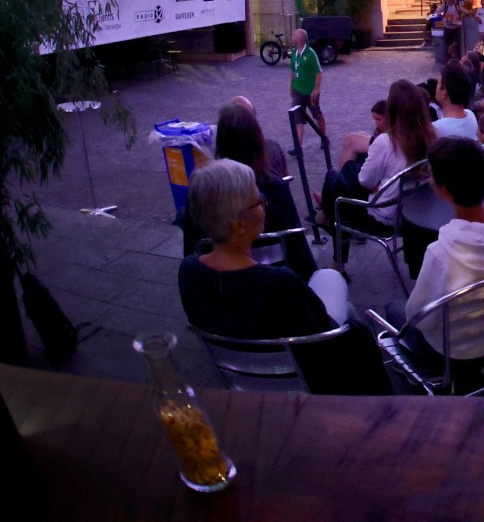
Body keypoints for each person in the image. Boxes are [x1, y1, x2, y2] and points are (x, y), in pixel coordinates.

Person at [178, 161, 388, 394]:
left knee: (335, 289)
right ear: (239, 225)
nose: (265, 206)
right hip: (304, 381)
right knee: (334, 286)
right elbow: (325, 340)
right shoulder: (278, 285)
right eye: (260, 201)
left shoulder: (188, 272)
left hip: (240, 377)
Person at [396, 137, 484, 365]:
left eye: (432, 176)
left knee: (394, 311)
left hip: (454, 355)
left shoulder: (441, 252)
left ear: (444, 192)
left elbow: (418, 318)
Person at [209, 103, 316, 278]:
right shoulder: (271, 187)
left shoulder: (207, 191)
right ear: (257, 139)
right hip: (274, 273)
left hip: (221, 277)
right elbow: (295, 239)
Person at [318, 79, 436, 233]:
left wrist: (376, 184)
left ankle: (326, 214)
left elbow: (364, 181)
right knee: (353, 168)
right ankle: (327, 209)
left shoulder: (387, 142)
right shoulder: (431, 137)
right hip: (412, 213)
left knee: (333, 176)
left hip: (383, 218)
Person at [287, 28, 326, 153]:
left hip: (310, 92)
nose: (292, 36)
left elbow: (318, 72)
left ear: (300, 38)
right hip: (298, 91)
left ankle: (324, 137)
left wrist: (316, 89)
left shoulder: (310, 54)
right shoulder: (294, 53)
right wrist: (291, 86)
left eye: (294, 35)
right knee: (298, 119)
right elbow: (293, 71)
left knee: (317, 114)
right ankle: (298, 147)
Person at [432, 61, 478, 139]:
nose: (436, 87)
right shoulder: (470, 115)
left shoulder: (436, 129)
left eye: (438, 83)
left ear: (444, 93)